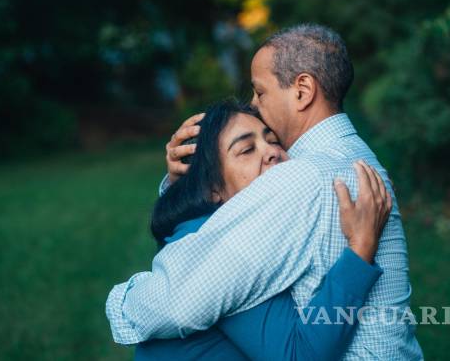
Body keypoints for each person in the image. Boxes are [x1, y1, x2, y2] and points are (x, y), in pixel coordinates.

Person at [107, 24, 423, 359]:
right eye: (247, 149)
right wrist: (184, 181)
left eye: (260, 92)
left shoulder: (301, 177)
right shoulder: (356, 159)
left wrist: (122, 302)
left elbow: (178, 302)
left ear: (302, 91)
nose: (254, 105)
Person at [135, 99, 391, 360]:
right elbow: (299, 355)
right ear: (211, 189)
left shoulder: (216, 225)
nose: (272, 152)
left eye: (273, 140)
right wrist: (361, 248)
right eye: (247, 149)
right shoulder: (226, 249)